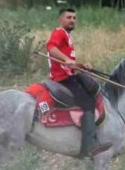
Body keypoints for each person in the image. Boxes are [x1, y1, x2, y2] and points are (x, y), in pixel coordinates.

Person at [46, 8, 111, 158]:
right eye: (69, 17)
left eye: (74, 18)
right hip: (61, 78)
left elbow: (69, 64)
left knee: (94, 90)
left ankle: (94, 135)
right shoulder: (59, 32)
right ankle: (88, 147)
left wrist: (81, 65)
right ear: (60, 19)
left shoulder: (68, 37)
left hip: (69, 75)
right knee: (88, 102)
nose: (72, 20)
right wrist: (67, 59)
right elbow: (50, 48)